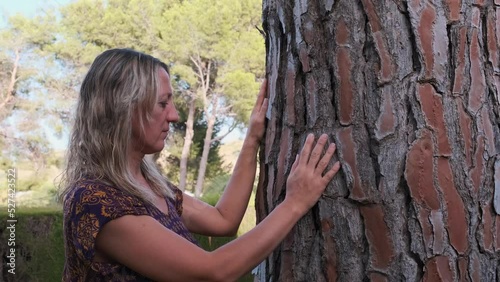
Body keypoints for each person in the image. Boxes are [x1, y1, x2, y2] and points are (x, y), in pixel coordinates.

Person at [58, 48, 341, 282]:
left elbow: (224, 219)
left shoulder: (148, 184)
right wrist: (295, 203)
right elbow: (212, 272)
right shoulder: (94, 202)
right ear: (124, 108)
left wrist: (253, 139)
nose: (174, 115)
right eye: (162, 104)